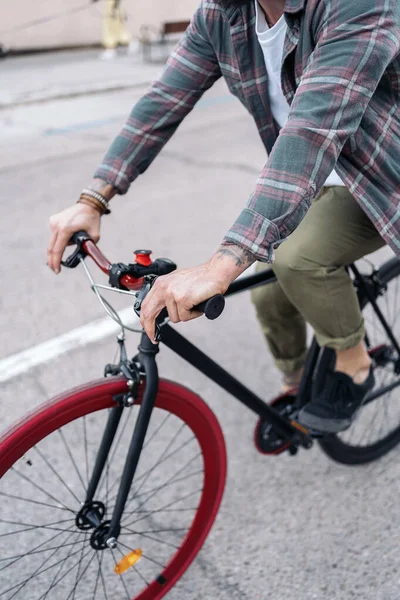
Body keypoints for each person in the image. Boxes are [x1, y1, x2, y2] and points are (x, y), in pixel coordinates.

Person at [47, 0, 400, 434]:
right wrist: (92, 198)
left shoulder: (359, 5)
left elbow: (312, 131)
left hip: (382, 177)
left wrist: (222, 262)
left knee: (296, 260)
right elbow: (163, 100)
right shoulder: (223, 14)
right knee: (269, 291)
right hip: (310, 180)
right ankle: (299, 382)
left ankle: (354, 364)